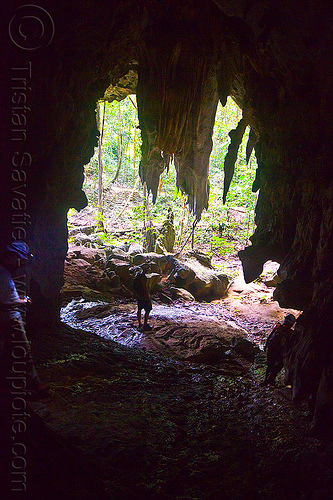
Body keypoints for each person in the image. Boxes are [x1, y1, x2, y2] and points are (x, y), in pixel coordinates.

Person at [0, 241, 49, 398]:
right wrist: (23, 301)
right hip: (9, 316)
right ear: (10, 256)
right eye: (19, 260)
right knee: (23, 351)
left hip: (9, 314)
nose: (20, 264)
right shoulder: (3, 274)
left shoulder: (5, 273)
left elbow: (6, 295)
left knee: (11, 351)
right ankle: (35, 386)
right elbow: (5, 301)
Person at [263, 313, 296, 385]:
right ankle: (271, 379)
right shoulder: (290, 332)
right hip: (278, 351)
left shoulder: (278, 327)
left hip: (270, 348)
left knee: (270, 365)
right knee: (279, 364)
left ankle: (267, 380)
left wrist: (266, 346)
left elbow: (270, 336)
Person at [132, 266, 152, 331]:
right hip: (144, 296)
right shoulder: (143, 277)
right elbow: (145, 287)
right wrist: (148, 295)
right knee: (148, 310)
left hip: (139, 295)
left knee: (139, 309)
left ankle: (140, 323)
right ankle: (145, 324)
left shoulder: (138, 276)